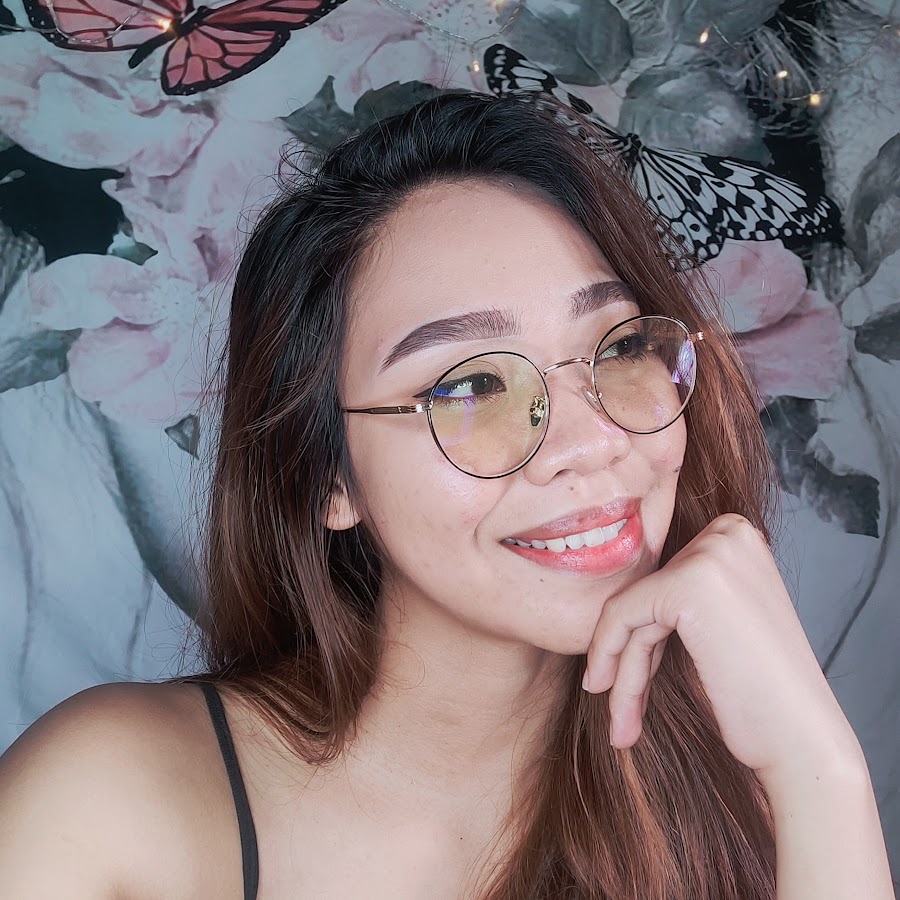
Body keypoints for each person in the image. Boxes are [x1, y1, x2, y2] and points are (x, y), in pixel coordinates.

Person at [0, 91, 892, 900]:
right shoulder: (108, 804)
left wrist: (821, 773)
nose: (592, 443)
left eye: (620, 348)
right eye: (471, 388)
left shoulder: (737, 812)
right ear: (327, 477)